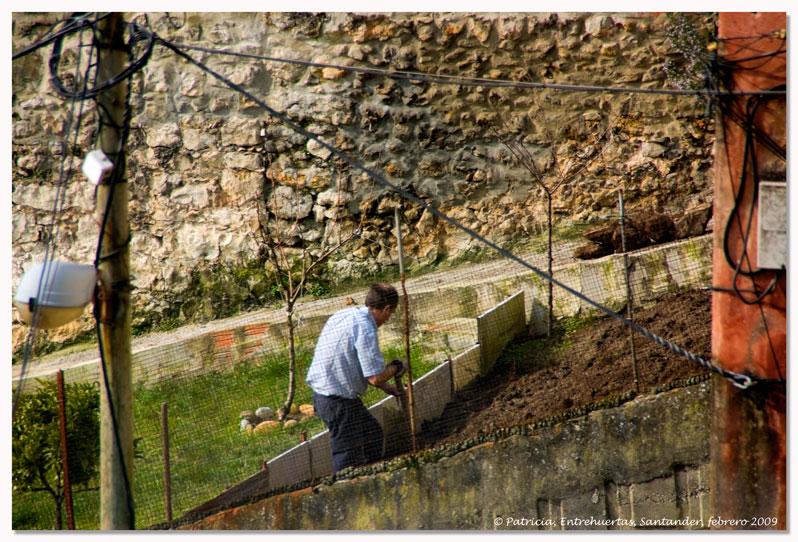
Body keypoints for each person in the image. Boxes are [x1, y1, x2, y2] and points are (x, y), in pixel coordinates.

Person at [306, 283, 405, 473]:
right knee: (347, 457)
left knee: (372, 435)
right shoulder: (365, 328)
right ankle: (347, 490)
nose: (388, 318)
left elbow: (355, 362)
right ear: (386, 309)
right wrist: (396, 367)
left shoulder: (346, 314)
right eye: (390, 313)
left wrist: (387, 387)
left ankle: (373, 476)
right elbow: (375, 377)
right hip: (336, 402)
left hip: (324, 394)